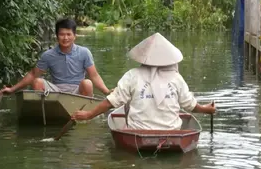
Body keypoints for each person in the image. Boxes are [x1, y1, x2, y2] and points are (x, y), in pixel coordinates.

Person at [71, 32, 215, 129]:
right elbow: (190, 105)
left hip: (138, 132)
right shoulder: (176, 78)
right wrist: (205, 109)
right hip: (172, 131)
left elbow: (111, 102)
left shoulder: (132, 76)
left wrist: (89, 114)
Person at [0, 18, 112, 97]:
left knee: (87, 83)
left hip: (77, 91)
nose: (65, 38)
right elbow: (33, 74)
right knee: (37, 81)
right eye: (62, 34)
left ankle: (85, 114)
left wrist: (107, 91)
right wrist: (12, 89)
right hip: (56, 91)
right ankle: (43, 111)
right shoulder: (48, 55)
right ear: (57, 36)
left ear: (74, 36)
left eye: (68, 34)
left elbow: (94, 76)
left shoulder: (84, 52)